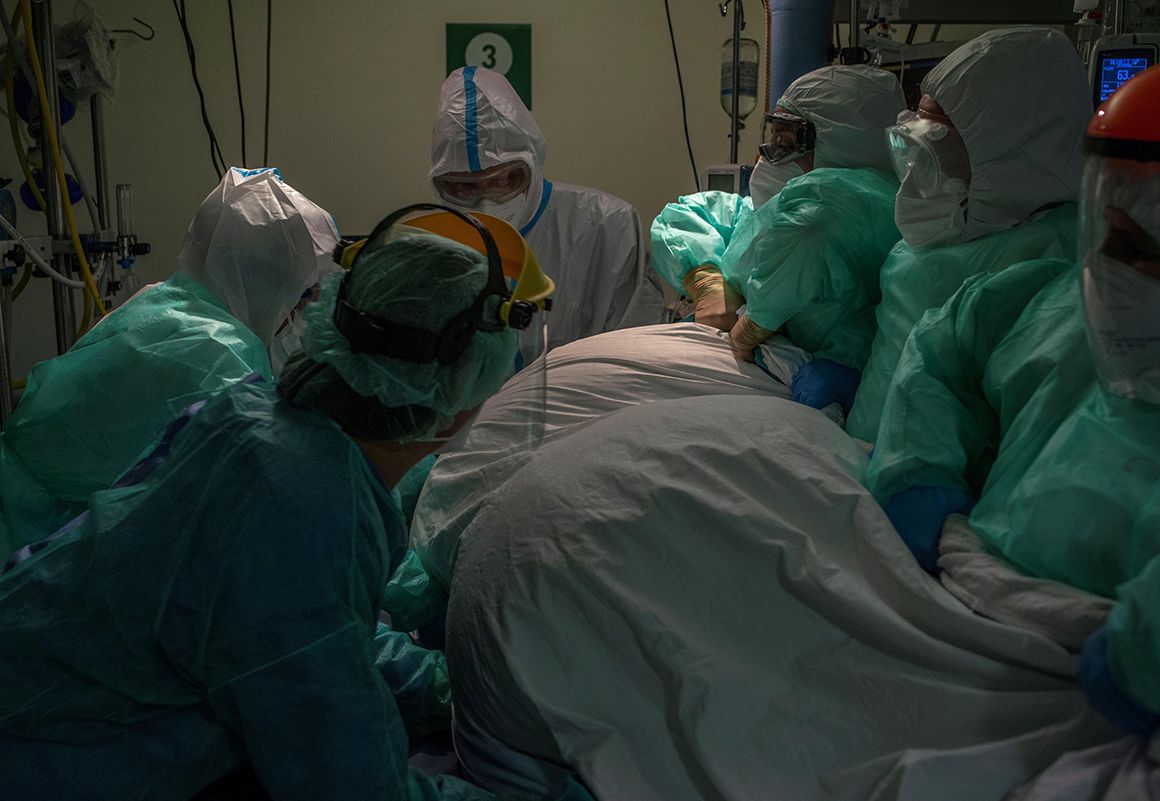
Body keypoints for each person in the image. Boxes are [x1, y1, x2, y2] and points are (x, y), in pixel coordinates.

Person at [0, 208, 588, 801]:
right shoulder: (303, 515)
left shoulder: (247, 417)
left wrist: (435, 683)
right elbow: (353, 784)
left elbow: (291, 642)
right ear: (467, 391)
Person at [868, 55, 1160, 743]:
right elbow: (946, 347)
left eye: (1137, 246)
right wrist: (917, 466)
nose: (1104, 263)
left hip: (1104, 709)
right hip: (949, 610)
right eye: (1103, 225)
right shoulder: (1062, 306)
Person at [0, 167, 339, 557]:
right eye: (300, 293)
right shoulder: (226, 356)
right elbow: (233, 518)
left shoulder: (159, 301)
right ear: (267, 284)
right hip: (43, 539)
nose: (298, 311)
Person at [792, 28, 1091, 441]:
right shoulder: (944, 233)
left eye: (938, 152)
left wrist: (935, 477)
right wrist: (853, 363)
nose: (916, 176)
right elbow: (895, 328)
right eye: (912, 149)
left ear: (1010, 155)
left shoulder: (1049, 265)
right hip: (864, 459)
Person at [650, 66, 905, 370]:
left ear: (844, 148)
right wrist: (707, 281)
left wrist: (754, 326)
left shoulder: (848, 222)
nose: (765, 158)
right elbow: (684, 215)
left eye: (784, 145)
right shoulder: (762, 214)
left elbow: (814, 226)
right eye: (772, 139)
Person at [430, 66, 663, 355]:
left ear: (532, 162)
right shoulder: (429, 247)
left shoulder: (608, 227)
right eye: (463, 188)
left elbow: (635, 353)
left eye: (506, 179)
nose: (486, 202)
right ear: (441, 185)